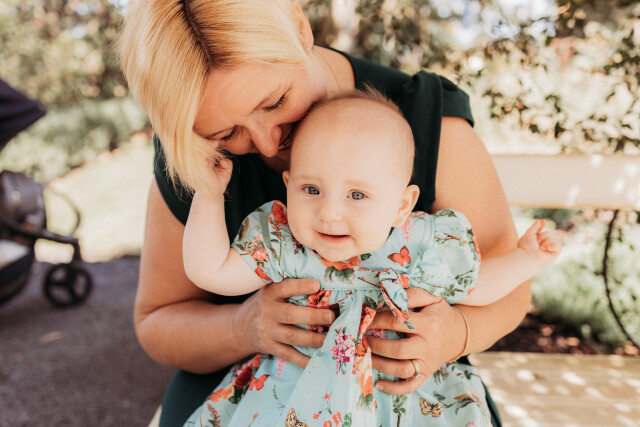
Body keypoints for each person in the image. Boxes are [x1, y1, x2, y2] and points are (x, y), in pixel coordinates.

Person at [118, 1, 533, 425]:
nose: (267, 144)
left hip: (406, 388)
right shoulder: (197, 149)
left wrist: (453, 335)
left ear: (300, 26)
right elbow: (158, 320)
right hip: (257, 378)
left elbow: (505, 286)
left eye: (276, 101)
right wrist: (243, 326)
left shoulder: (432, 121)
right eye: (227, 132)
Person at [182, 90, 562, 426]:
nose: (329, 212)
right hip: (294, 398)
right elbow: (211, 272)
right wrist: (209, 194)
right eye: (311, 189)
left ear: (402, 206)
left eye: (357, 195)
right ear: (289, 185)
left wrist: (527, 258)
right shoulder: (284, 244)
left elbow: (477, 286)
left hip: (399, 400)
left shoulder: (418, 248)